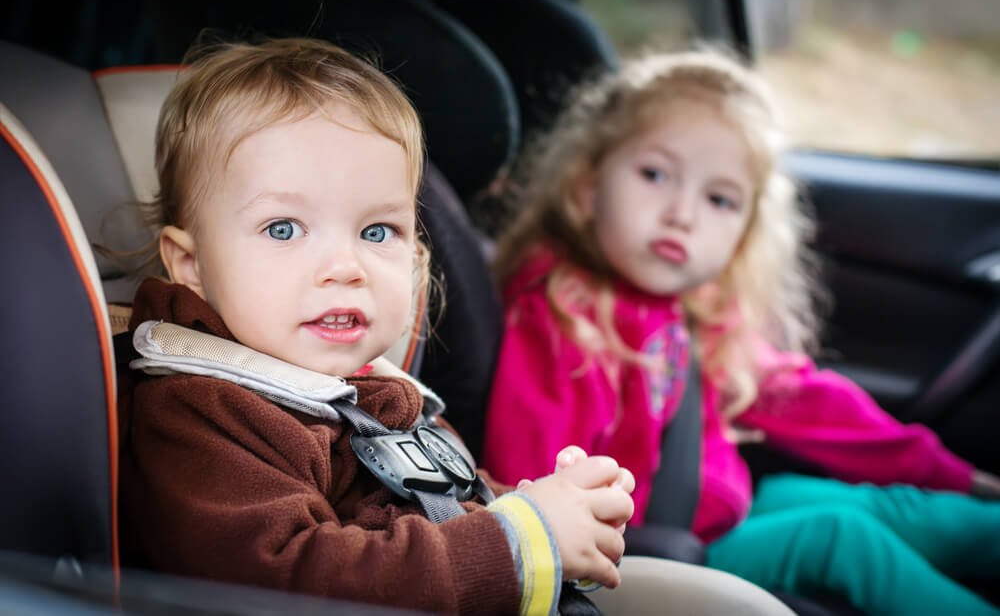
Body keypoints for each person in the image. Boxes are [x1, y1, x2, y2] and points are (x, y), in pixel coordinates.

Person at [116, 37, 794, 616]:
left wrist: (545, 508)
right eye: (284, 228)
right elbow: (289, 580)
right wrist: (519, 538)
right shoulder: (204, 409)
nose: (344, 265)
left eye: (376, 230)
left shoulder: (374, 391)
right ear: (192, 265)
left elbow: (449, 501)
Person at [481, 48, 1000, 616]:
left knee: (897, 509)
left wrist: (954, 476)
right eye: (655, 174)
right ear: (586, 190)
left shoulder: (690, 310)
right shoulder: (562, 318)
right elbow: (535, 489)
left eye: (719, 199)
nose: (682, 212)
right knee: (841, 538)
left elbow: (811, 405)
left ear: (744, 234)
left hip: (721, 505)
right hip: (654, 552)